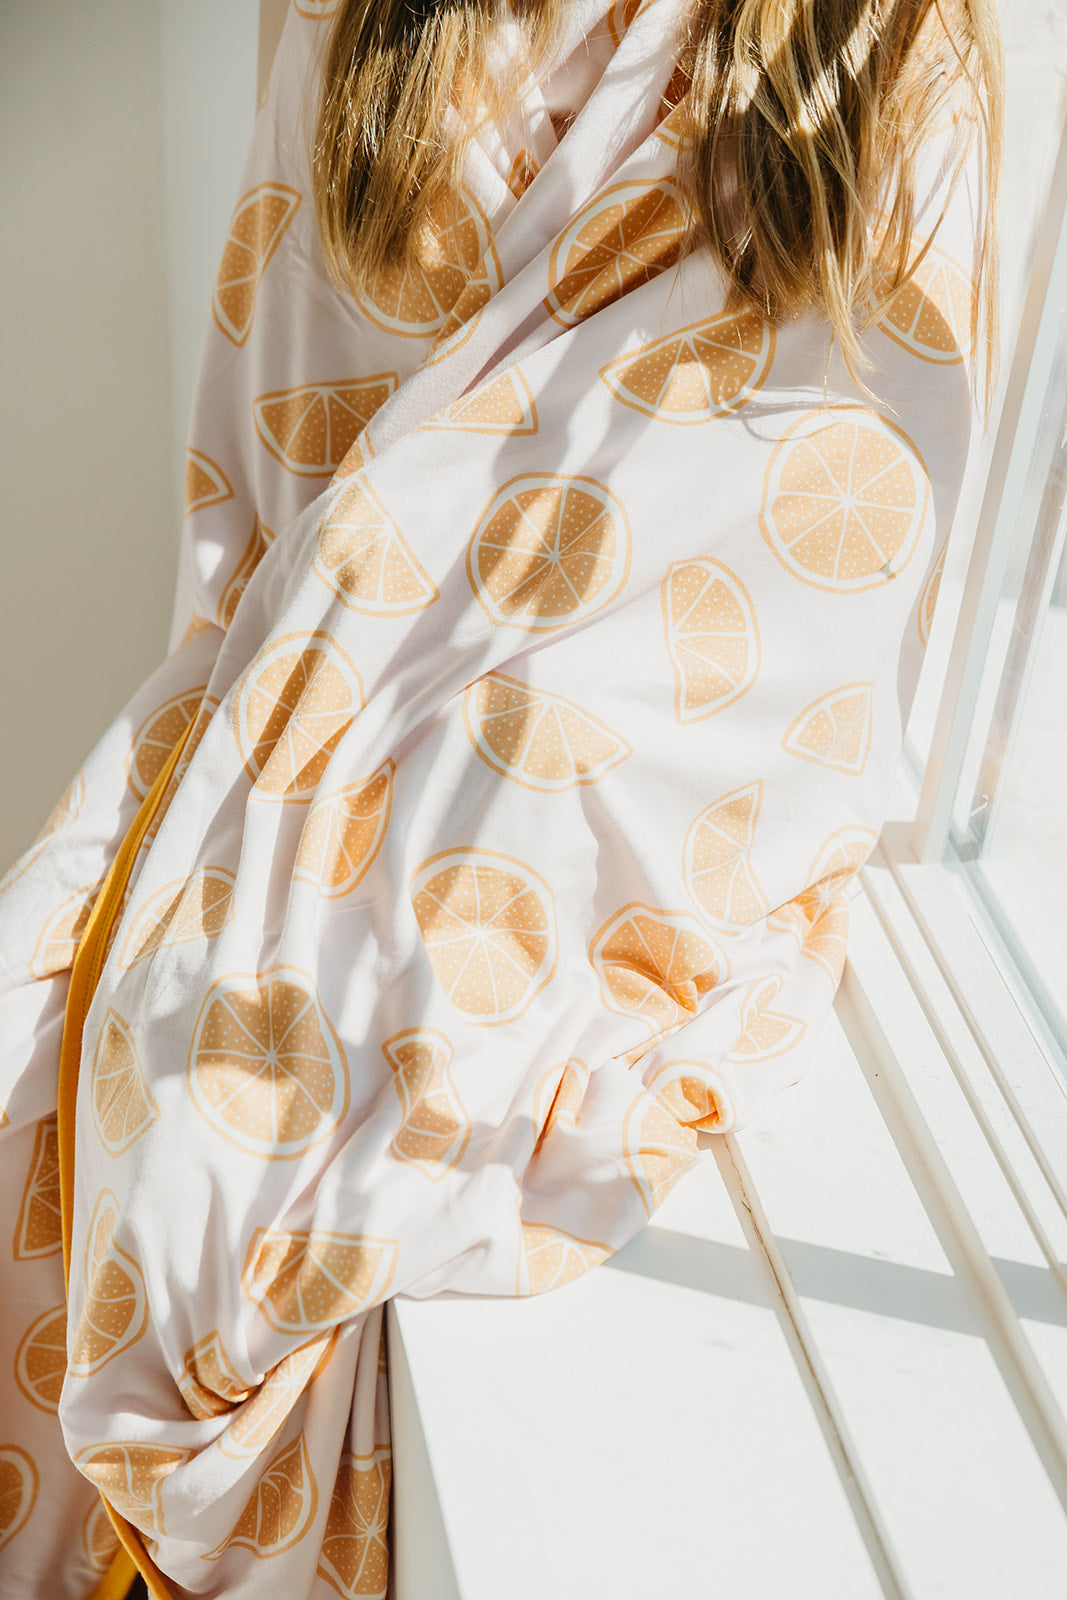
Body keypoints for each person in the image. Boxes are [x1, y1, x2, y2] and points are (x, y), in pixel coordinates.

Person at [0, 1, 1002, 1595]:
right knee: (49, 1026)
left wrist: (465, 696)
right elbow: (274, 478)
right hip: (324, 689)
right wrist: (325, 696)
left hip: (628, 742)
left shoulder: (875, 59)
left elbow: (836, 553)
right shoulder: (370, 33)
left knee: (250, 1146)